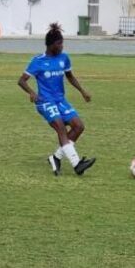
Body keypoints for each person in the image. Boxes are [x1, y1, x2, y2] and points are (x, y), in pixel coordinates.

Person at [18, 23, 96, 176]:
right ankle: (77, 164)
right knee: (60, 127)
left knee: (78, 126)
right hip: (45, 102)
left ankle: (56, 157)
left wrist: (82, 91)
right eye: (59, 43)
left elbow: (70, 76)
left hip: (60, 100)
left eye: (62, 43)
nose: (62, 46)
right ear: (51, 45)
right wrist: (32, 93)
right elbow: (21, 81)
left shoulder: (64, 58)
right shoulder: (38, 61)